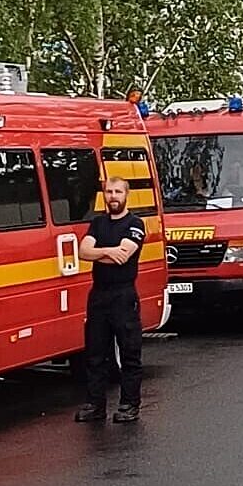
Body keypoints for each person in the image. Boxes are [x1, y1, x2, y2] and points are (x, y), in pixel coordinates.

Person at [75, 177, 147, 423]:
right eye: (109, 191)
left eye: (117, 192)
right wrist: (107, 251)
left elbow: (123, 256)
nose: (113, 196)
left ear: (127, 195)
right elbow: (83, 252)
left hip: (123, 295)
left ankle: (129, 404)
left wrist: (99, 253)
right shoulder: (97, 223)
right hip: (98, 295)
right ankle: (95, 405)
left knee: (129, 353)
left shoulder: (135, 224)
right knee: (95, 353)